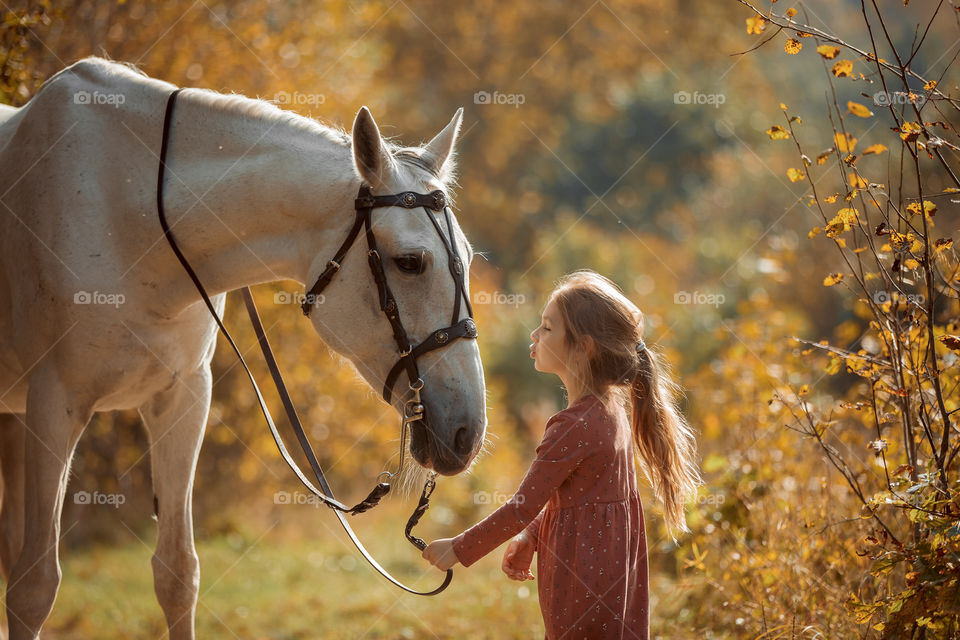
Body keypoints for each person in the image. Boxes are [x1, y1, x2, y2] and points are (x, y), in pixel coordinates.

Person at [422, 270, 701, 639]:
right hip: (612, 575)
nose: (535, 335)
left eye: (548, 328)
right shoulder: (610, 410)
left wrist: (458, 549)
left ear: (584, 347)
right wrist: (532, 537)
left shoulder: (572, 425)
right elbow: (578, 493)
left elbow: (522, 506)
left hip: (581, 579)